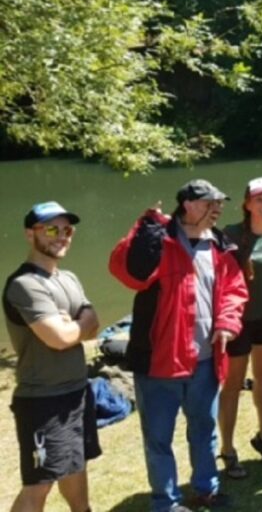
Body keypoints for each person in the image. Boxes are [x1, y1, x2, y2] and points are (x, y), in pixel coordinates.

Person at [109, 179, 247, 511]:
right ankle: (166, 503)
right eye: (209, 203)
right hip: (160, 364)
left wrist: (228, 324)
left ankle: (206, 489)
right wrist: (143, 230)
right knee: (158, 439)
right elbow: (126, 272)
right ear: (187, 204)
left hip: (205, 362)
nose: (217, 209)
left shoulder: (219, 245)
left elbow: (234, 290)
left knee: (204, 429)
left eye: (219, 204)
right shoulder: (159, 240)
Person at [5, 202, 100, 512]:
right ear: (30, 234)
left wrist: (75, 324)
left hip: (76, 393)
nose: (61, 236)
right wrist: (77, 325)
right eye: (51, 229)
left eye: (66, 230)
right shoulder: (24, 285)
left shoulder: (68, 278)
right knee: (39, 484)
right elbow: (58, 339)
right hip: (43, 401)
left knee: (75, 465)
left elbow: (94, 322)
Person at [218, 178, 262, 479]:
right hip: (237, 321)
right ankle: (228, 450)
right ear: (247, 204)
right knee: (232, 384)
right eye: (260, 199)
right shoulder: (230, 235)